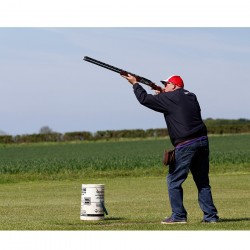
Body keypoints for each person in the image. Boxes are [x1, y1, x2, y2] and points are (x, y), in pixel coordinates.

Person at [122, 73, 219, 224]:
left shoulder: (170, 98)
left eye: (167, 84)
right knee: (202, 181)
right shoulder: (191, 96)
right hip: (202, 142)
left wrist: (135, 84)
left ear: (174, 86)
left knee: (173, 181)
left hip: (186, 144)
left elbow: (144, 99)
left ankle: (179, 216)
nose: (165, 86)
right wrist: (163, 93)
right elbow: (177, 103)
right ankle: (211, 217)